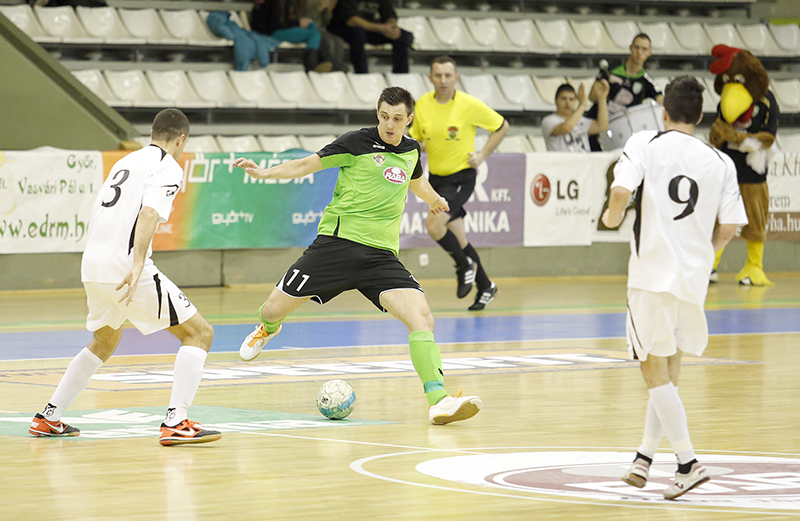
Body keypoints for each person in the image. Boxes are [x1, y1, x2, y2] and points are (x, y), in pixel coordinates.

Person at [232, 87, 482, 425]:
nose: (390, 125)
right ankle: (267, 328)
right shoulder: (356, 142)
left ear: (409, 119)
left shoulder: (411, 150)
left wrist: (434, 199)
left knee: (422, 318)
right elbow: (306, 164)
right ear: (377, 114)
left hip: (380, 257)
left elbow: (416, 182)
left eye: (397, 119)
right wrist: (264, 172)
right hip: (335, 246)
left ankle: (438, 400)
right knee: (272, 308)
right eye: (384, 117)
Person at [28, 109, 221, 447]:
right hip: (125, 266)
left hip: (93, 264)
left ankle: (49, 416)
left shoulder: (125, 161)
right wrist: (137, 263)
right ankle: (176, 421)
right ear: (181, 140)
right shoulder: (168, 166)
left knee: (104, 341)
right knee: (199, 333)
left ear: (152, 133)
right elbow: (149, 212)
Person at [601, 76, 747, 500]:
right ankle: (644, 457)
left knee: (653, 370)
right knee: (669, 372)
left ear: (663, 111)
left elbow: (620, 192)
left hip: (651, 274)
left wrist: (610, 220)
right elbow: (731, 227)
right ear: (699, 116)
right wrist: (705, 255)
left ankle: (687, 462)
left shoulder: (646, 142)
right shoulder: (721, 161)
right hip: (692, 279)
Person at [408, 56, 509, 310]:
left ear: (456, 78)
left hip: (462, 177)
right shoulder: (422, 105)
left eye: (448, 75)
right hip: (437, 179)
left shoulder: (469, 104)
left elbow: (502, 126)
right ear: (430, 78)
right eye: (438, 75)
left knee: (434, 225)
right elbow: (417, 140)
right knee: (459, 238)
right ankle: (486, 286)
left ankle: (464, 266)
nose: (443, 80)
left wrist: (483, 155)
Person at [587, 33, 664, 150]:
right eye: (637, 47)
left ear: (650, 52)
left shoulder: (647, 81)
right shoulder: (611, 69)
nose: (639, 53)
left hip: (620, 133)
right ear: (630, 48)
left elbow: (663, 102)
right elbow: (592, 97)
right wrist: (601, 91)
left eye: (644, 49)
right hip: (596, 126)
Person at [326, 0, 413, 74]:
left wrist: (390, 27)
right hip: (343, 28)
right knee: (358, 33)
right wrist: (381, 28)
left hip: (370, 28)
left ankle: (401, 74)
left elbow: (390, 14)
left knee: (402, 35)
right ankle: (361, 73)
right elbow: (351, 20)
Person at [250, 0, 333, 72]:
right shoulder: (273, 2)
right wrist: (298, 23)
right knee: (314, 34)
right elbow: (276, 23)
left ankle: (322, 62)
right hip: (273, 32)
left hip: (280, 29)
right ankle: (313, 65)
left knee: (313, 27)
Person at [542, 81, 609, 152]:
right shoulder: (549, 120)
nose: (567, 103)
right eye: (563, 99)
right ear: (556, 100)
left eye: (571, 99)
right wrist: (582, 105)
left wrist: (602, 98)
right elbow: (567, 128)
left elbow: (602, 126)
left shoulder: (580, 119)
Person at [306, 0, 350, 72]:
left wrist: (327, 11)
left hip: (321, 29)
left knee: (338, 40)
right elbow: (309, 18)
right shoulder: (310, 3)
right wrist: (318, 8)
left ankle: (335, 64)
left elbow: (325, 22)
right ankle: (329, 62)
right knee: (327, 40)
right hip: (310, 29)